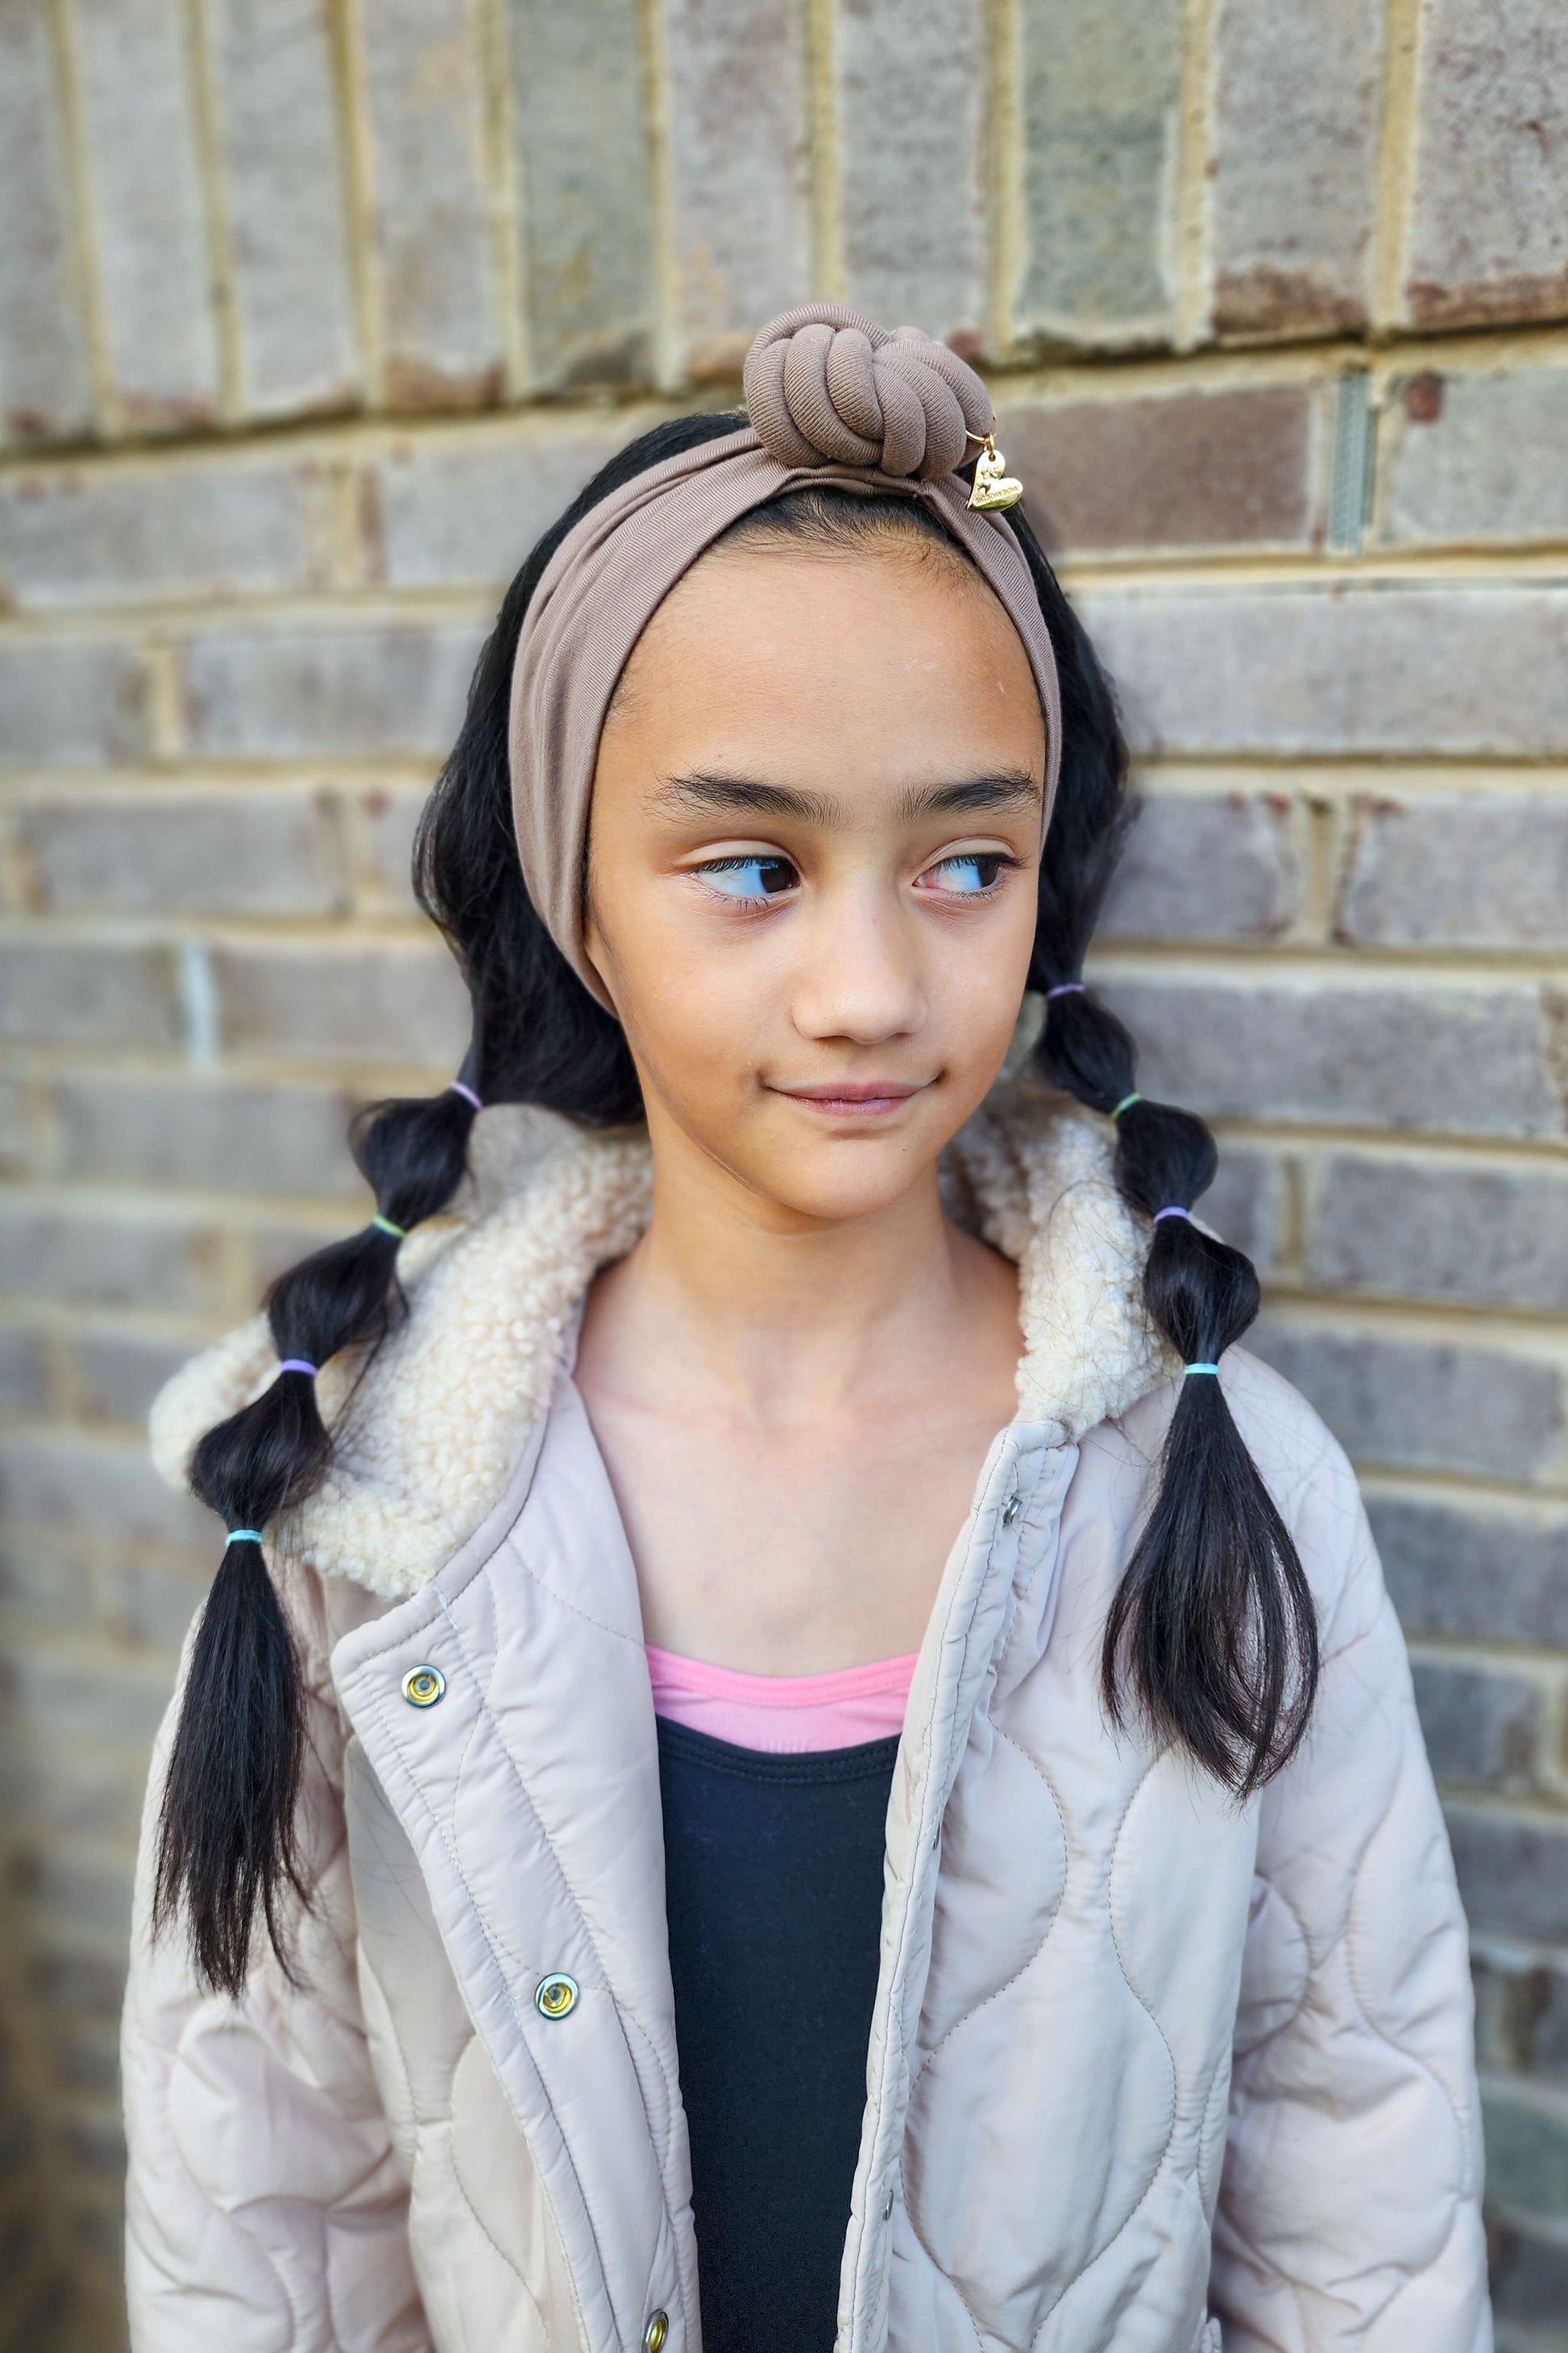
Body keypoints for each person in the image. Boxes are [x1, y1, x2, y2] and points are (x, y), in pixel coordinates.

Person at [122, 305, 1490, 2353]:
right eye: (752, 864)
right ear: (578, 890)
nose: (867, 985)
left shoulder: (1232, 1484)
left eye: (965, 860)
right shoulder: (365, 1508)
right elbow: (261, 2216)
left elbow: (1355, 2212)